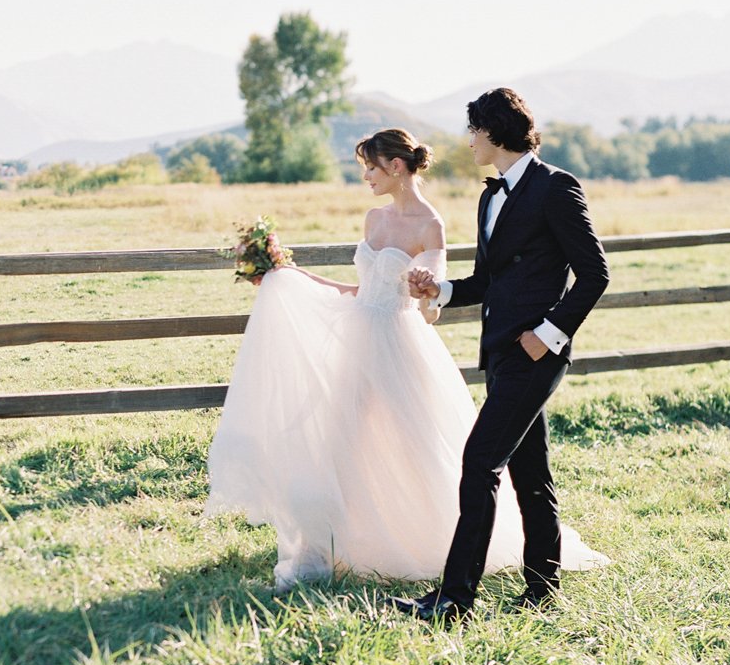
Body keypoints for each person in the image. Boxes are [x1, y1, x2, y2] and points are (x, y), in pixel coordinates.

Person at [204, 124, 607, 593]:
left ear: (396, 167)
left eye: (370, 168)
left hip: (399, 347)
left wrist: (428, 291)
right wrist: (290, 277)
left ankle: (442, 549)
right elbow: (361, 291)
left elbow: (431, 304)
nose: (366, 178)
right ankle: (323, 548)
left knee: (422, 451)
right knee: (339, 444)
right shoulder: (374, 220)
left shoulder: (431, 224)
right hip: (359, 341)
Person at [391, 88, 610, 624]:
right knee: (530, 473)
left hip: (537, 354)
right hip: (500, 353)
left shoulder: (556, 188)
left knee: (479, 463)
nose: (468, 140)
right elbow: (489, 282)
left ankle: (454, 599)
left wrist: (549, 332)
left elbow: (595, 274)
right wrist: (436, 291)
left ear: (494, 131)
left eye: (473, 130)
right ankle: (542, 590)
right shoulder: (489, 198)